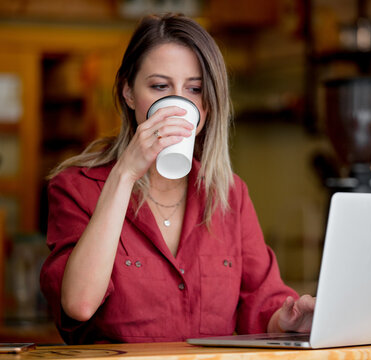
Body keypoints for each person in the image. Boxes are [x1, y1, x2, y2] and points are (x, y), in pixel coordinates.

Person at [40, 13, 315, 344]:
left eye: (194, 89)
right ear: (128, 92)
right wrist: (125, 173)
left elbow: (260, 303)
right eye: (159, 86)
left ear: (208, 105)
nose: (179, 102)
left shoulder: (228, 194)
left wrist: (286, 320)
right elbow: (79, 304)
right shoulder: (76, 188)